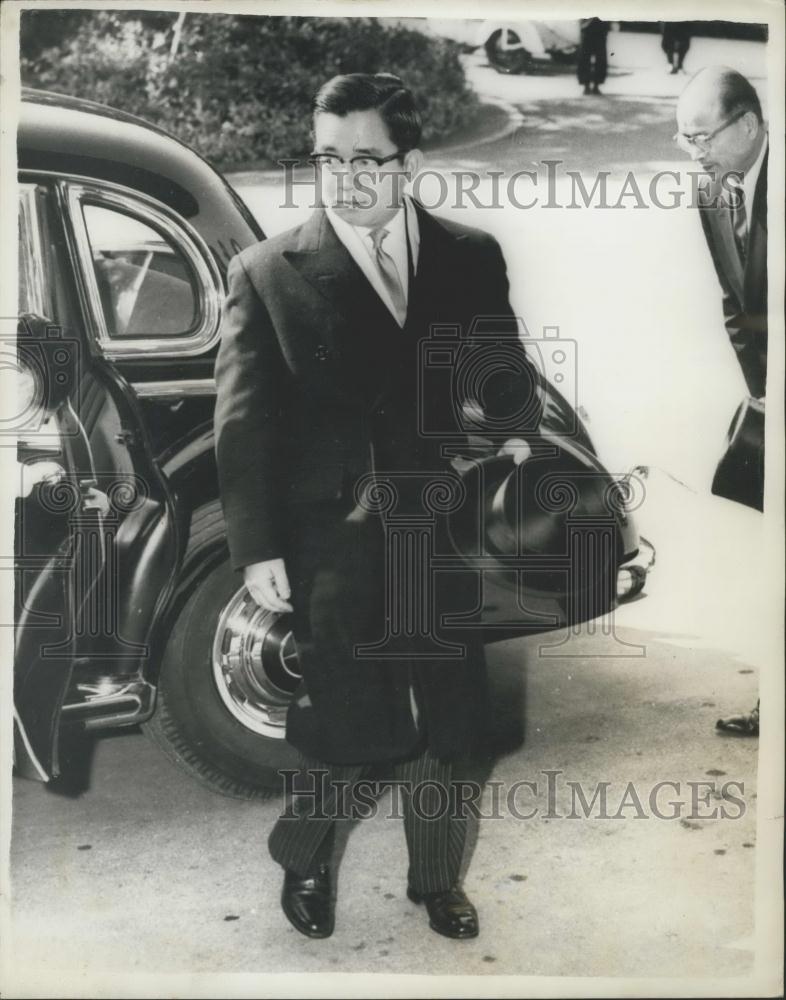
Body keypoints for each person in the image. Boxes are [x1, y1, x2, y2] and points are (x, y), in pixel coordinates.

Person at [214, 73, 541, 939]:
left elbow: (501, 367)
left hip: (444, 527)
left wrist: (514, 432)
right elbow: (241, 426)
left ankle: (436, 880)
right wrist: (257, 547)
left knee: (449, 719)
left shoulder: (469, 255)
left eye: (367, 159)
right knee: (350, 721)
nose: (346, 178)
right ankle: (306, 855)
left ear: (411, 163)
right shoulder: (266, 273)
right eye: (329, 159)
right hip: (334, 538)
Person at [674, 67, 768, 736]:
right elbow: (735, 305)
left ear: (750, 125)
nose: (695, 153)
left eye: (703, 136)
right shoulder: (710, 193)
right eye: (685, 139)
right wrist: (761, 393)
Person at [577, 18, 610, 95]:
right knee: (584, 58)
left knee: (601, 58)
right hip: (587, 27)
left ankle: (596, 85)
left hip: (601, 27)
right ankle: (586, 85)